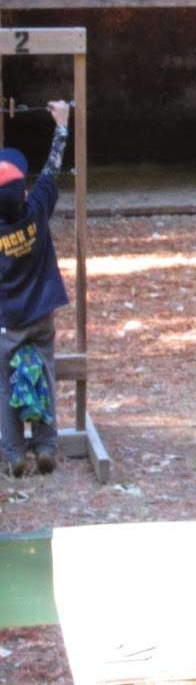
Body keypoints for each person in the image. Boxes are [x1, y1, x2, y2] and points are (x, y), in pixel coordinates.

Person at [0, 101, 71, 478]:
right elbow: (52, 170)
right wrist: (61, 124)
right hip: (41, 313)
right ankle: (45, 446)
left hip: (7, 322)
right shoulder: (37, 208)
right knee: (43, 373)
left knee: (4, 384)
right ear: (24, 193)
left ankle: (15, 454)